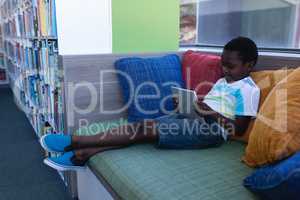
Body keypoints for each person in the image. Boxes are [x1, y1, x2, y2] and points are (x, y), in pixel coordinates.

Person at [41, 37, 260, 171]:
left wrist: (207, 111)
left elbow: (238, 129)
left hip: (212, 133)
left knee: (142, 129)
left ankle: (73, 141)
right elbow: (211, 105)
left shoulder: (249, 90)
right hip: (194, 118)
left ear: (249, 65)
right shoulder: (224, 81)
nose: (224, 70)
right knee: (141, 131)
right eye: (223, 65)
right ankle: (81, 155)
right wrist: (190, 103)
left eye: (230, 66)